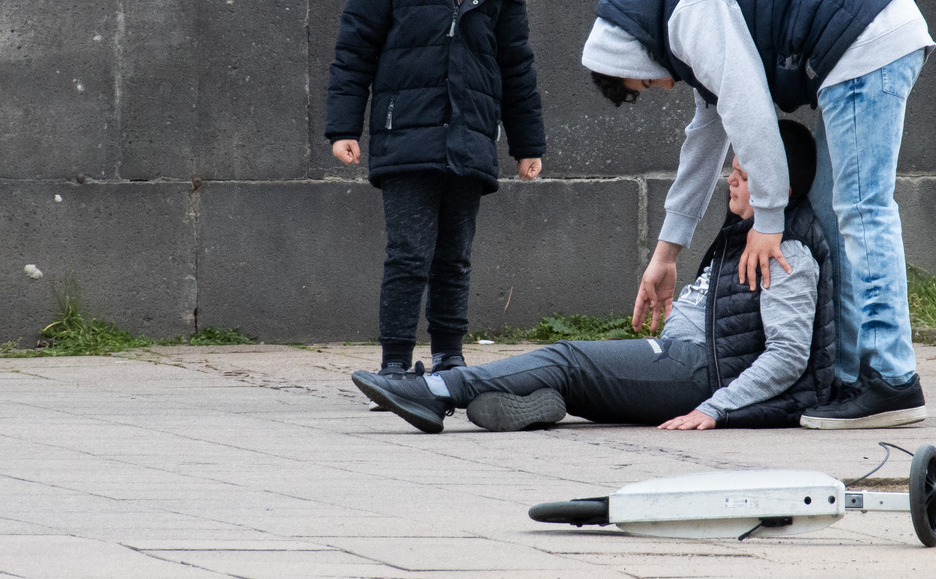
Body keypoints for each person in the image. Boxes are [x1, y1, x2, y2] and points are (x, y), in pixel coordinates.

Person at [581, 0, 934, 429]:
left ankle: (891, 380)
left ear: (635, 55)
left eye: (643, 82)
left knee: (861, 209)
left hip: (866, 40)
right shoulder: (687, 17)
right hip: (863, 39)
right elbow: (704, 143)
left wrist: (770, 220)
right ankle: (853, 376)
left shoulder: (692, 13)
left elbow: (751, 116)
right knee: (839, 217)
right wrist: (666, 255)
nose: (661, 86)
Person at [351, 120, 833, 435]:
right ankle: (541, 402)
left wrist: (717, 408)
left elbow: (788, 355)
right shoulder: (746, 234)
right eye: (732, 169)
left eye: (744, 174)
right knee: (579, 375)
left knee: (569, 356)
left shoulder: (787, 253)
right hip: (684, 364)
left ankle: (438, 392)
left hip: (697, 370)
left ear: (780, 188)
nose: (731, 179)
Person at [325, 0, 546, 378]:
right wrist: (342, 128)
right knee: (407, 255)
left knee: (454, 258)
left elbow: (518, 72)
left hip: (468, 143)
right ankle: (396, 363)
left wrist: (527, 145)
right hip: (406, 141)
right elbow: (353, 53)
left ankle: (450, 357)